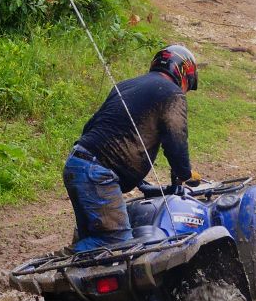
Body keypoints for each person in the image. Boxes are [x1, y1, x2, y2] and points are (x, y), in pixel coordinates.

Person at [62, 44, 200, 253]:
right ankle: (67, 260)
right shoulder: (172, 93)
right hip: (98, 174)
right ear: (183, 74)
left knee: (95, 240)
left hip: (77, 165)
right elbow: (176, 140)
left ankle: (75, 276)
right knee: (117, 245)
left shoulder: (126, 86)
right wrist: (185, 173)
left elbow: (92, 126)